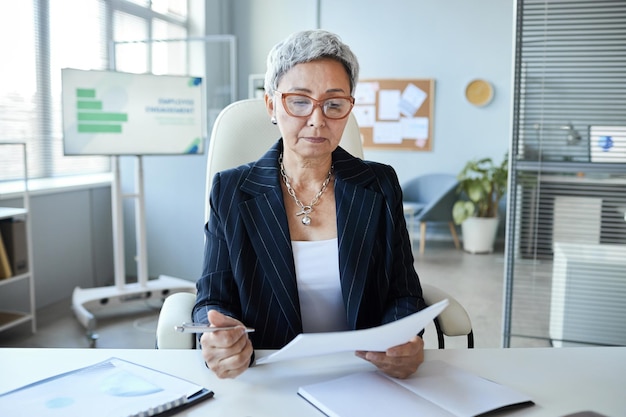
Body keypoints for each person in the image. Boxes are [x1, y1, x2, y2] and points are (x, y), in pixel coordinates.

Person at [193, 29, 426, 380]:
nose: (318, 119)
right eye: (299, 102)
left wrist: (402, 339)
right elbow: (212, 298)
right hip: (269, 374)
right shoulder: (231, 190)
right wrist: (217, 338)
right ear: (272, 105)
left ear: (349, 108)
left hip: (363, 374)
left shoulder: (380, 185)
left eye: (334, 104)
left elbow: (403, 292)